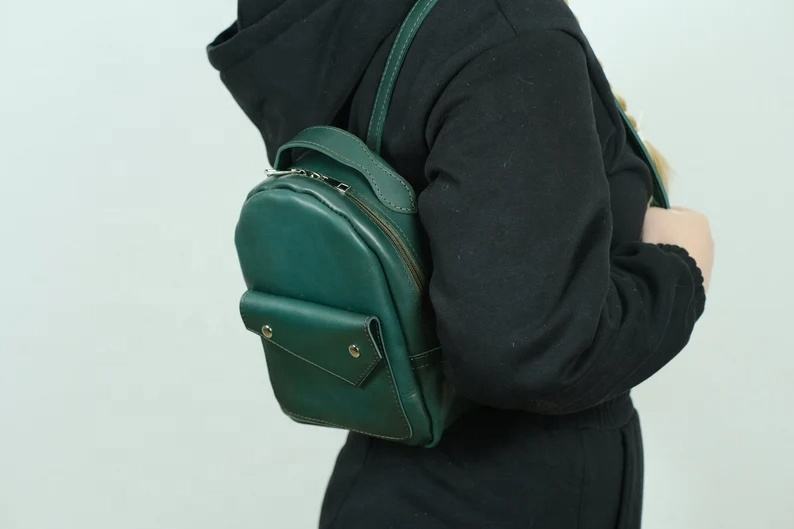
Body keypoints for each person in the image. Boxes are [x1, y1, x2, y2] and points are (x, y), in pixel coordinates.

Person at [206, 0, 715, 527]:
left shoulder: (353, 20)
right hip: (517, 500)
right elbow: (526, 354)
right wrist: (677, 269)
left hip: (388, 485)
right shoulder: (502, 33)